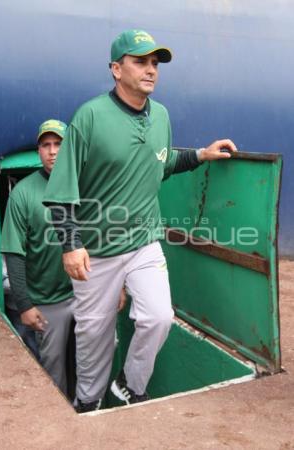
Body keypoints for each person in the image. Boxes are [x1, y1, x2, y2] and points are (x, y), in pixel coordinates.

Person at [43, 29, 238, 413]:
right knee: (94, 335)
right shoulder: (91, 116)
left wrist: (200, 154)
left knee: (159, 316)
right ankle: (87, 402)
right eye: (140, 61)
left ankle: (129, 384)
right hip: (94, 251)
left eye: (155, 63)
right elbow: (62, 188)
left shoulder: (161, 115)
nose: (150, 70)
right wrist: (70, 243)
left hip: (143, 241)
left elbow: (161, 164)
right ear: (116, 69)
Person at [1, 119, 76, 398]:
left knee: (98, 353)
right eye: (46, 145)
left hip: (84, 293)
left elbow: (104, 241)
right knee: (53, 370)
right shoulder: (23, 193)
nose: (53, 151)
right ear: (38, 151)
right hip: (46, 301)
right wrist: (25, 305)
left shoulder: (85, 185)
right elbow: (13, 252)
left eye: (59, 144)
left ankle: (91, 412)